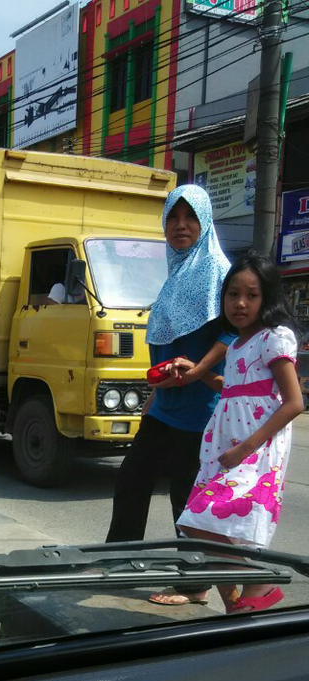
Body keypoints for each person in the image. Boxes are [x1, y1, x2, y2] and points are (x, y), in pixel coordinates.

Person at [105, 183, 235, 607]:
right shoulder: (178, 271)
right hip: (165, 403)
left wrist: (198, 370)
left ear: (205, 221)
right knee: (132, 478)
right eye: (173, 219)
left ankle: (194, 584)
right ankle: (118, 563)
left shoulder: (217, 268)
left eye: (190, 218)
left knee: (186, 497)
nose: (181, 226)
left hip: (201, 407)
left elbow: (234, 330)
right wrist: (152, 393)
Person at [176, 253, 304, 613]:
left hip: (255, 448)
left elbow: (294, 402)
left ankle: (257, 583)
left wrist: (245, 448)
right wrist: (198, 372)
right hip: (225, 446)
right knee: (217, 527)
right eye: (233, 294)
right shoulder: (235, 347)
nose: (241, 303)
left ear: (268, 299)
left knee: (199, 519)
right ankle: (240, 603)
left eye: (252, 294)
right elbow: (233, 389)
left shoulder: (274, 339)